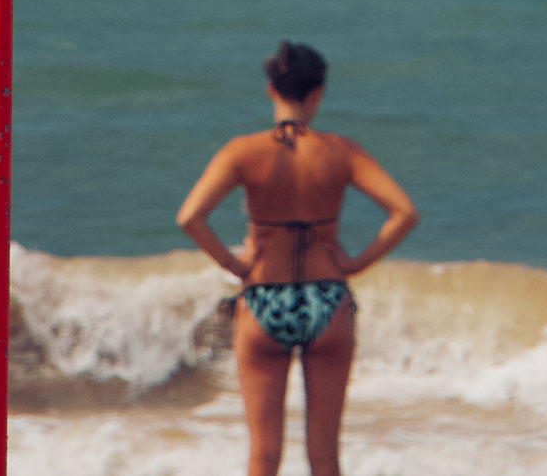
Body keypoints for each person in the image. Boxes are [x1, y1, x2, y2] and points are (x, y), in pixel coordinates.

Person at [177, 42, 418, 476]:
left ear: (271, 89)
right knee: (324, 456)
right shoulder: (342, 151)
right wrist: (356, 263)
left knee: (263, 457)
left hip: (263, 297)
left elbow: (190, 217)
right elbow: (404, 213)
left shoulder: (242, 152)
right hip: (327, 299)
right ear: (318, 94)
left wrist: (234, 266)